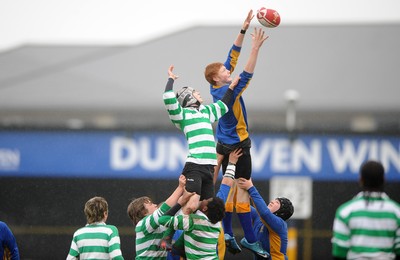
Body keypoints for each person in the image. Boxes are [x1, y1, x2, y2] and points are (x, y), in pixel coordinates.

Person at [204, 9, 269, 257]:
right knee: (241, 189)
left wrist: (242, 30)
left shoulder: (216, 87)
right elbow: (248, 73)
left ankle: (229, 232)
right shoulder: (228, 91)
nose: (227, 69)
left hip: (222, 142)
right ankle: (250, 239)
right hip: (238, 145)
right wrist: (256, 47)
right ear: (215, 78)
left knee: (225, 187)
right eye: (224, 70)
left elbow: (232, 55)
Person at [162, 65, 239, 215]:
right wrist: (171, 79)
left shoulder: (205, 111)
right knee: (191, 205)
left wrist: (231, 88)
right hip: (195, 165)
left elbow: (222, 106)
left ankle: (196, 236)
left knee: (206, 208)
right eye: (196, 93)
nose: (199, 94)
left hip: (209, 167)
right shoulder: (182, 115)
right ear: (188, 96)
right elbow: (168, 98)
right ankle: (169, 233)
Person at [158, 149, 243, 260]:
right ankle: (173, 243)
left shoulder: (193, 221)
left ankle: (169, 239)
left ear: (204, 208)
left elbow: (162, 219)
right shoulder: (216, 220)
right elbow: (226, 185)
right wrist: (231, 163)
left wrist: (180, 202)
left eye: (204, 201)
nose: (203, 199)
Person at [331, 160, 400, 260]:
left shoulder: (345, 212)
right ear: (384, 179)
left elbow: (339, 253)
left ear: (360, 179)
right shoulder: (396, 212)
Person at [127, 175, 193, 259]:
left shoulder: (156, 225)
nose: (155, 205)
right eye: (150, 204)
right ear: (143, 212)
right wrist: (180, 188)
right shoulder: (142, 224)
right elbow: (164, 209)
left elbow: (172, 215)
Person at [237, 178, 294, 260]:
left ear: (281, 212)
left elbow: (264, 213)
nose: (272, 201)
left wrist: (251, 188)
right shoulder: (260, 217)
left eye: (277, 202)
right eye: (275, 200)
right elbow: (244, 207)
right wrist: (239, 187)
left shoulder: (280, 224)